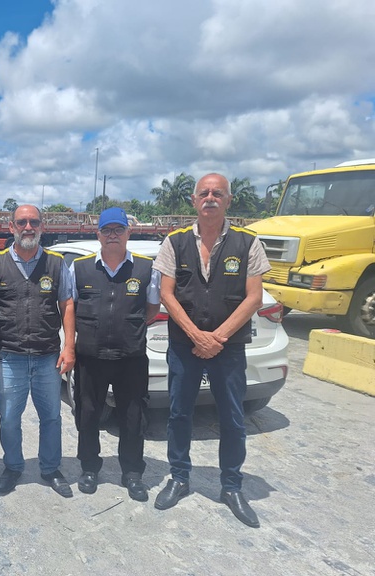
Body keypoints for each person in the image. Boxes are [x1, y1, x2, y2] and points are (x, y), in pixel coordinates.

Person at [152, 173, 270, 528]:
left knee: (232, 417)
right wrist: (195, 336)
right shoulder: (174, 242)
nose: (210, 198)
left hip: (228, 348)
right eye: (204, 192)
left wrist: (217, 337)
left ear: (228, 200)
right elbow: (166, 294)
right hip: (184, 346)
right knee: (179, 413)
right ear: (193, 200)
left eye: (218, 193)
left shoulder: (248, 243)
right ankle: (179, 477)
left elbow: (254, 297)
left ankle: (231, 486)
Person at [0, 205, 76, 498]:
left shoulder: (57, 264)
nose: (28, 227)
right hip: (10, 357)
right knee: (9, 418)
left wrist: (69, 347)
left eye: (34, 222)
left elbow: (67, 305)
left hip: (48, 356)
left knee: (52, 418)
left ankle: (50, 468)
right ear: (11, 227)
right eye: (22, 222)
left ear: (42, 227)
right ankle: (13, 466)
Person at [69, 207, 160, 501]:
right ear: (98, 234)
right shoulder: (79, 268)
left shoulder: (146, 268)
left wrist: (127, 329)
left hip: (130, 359)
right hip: (90, 357)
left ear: (128, 233)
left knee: (133, 416)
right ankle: (89, 468)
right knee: (88, 414)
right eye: (106, 230)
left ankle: (132, 473)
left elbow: (152, 309)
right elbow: (70, 308)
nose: (112, 235)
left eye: (118, 230)